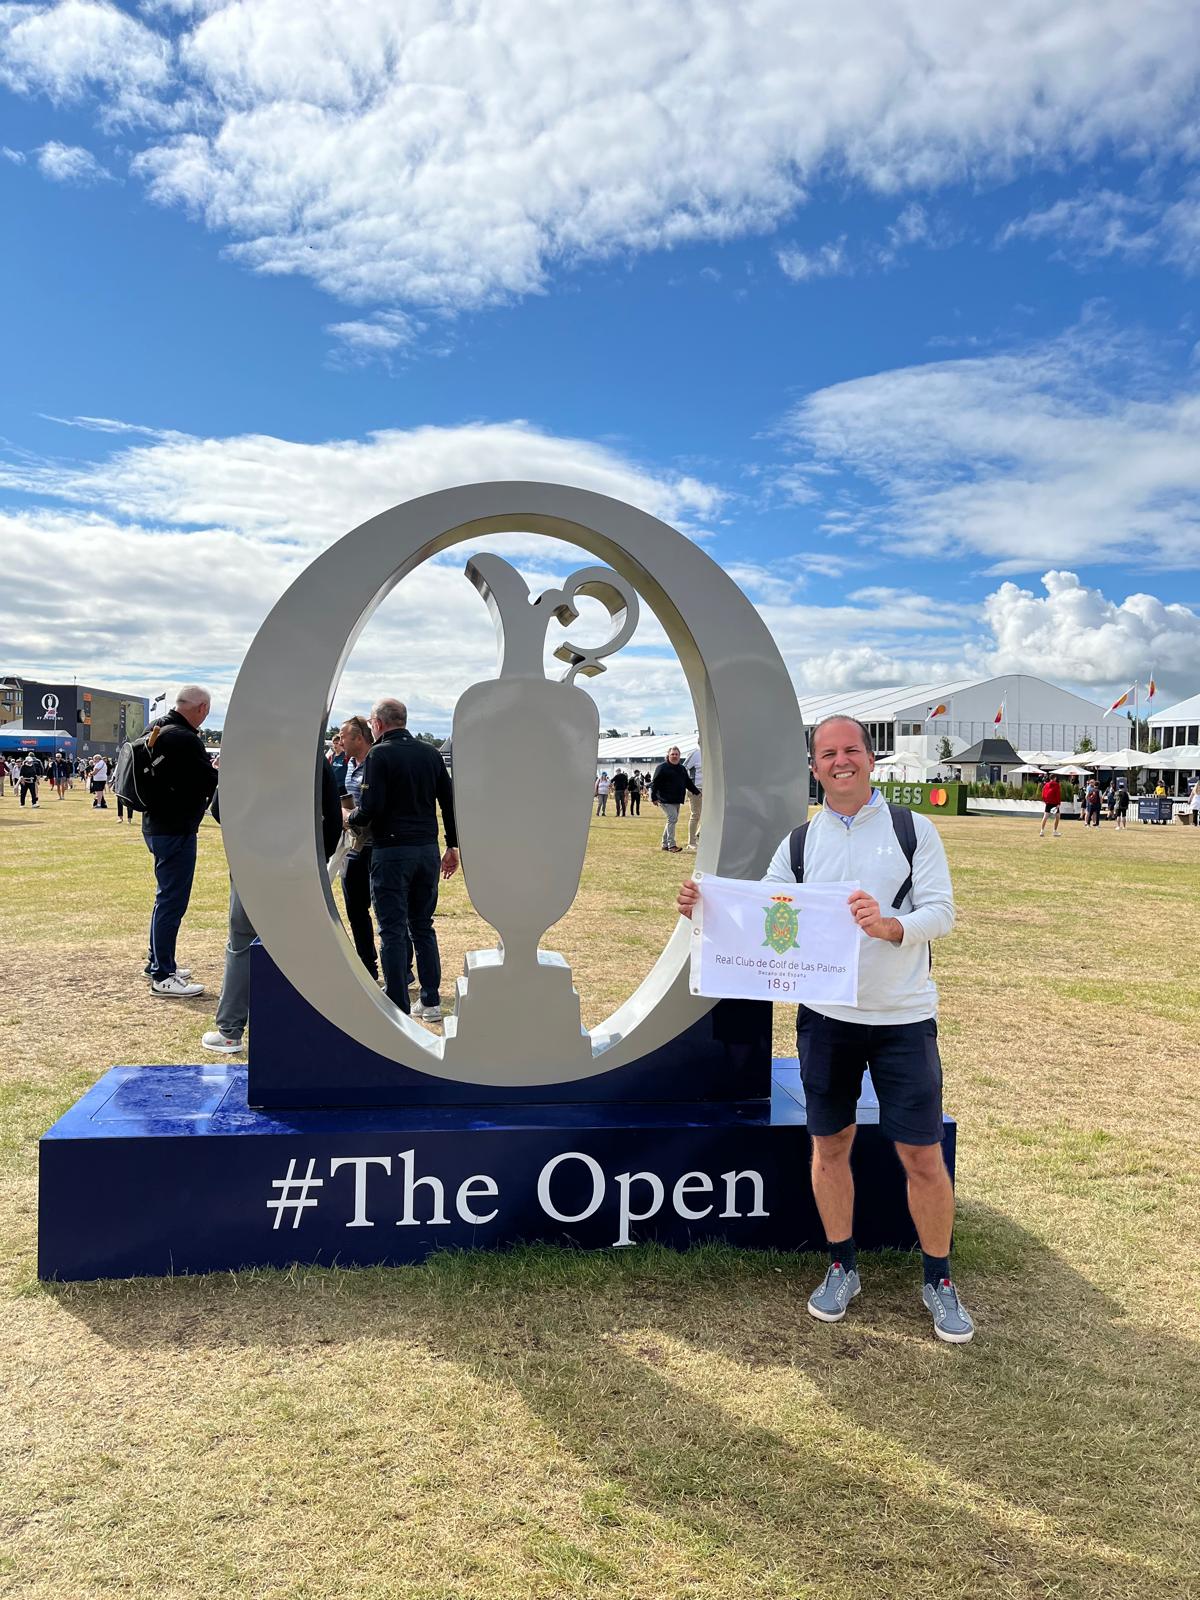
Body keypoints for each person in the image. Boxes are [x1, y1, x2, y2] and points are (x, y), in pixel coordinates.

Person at [677, 714, 970, 1344]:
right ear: (814, 767)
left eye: (852, 750)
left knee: (921, 1153)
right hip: (827, 1020)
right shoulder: (801, 843)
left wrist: (893, 925)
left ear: (871, 758)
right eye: (828, 753)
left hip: (901, 1018)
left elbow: (942, 912)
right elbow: (766, 913)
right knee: (829, 1145)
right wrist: (708, 905)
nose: (841, 761)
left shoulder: (913, 831)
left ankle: (938, 1279)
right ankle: (842, 1265)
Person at [202, 751, 343, 1052]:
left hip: (252, 859)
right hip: (300, 860)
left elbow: (219, 808)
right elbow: (331, 817)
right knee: (300, 943)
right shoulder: (313, 757)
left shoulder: (249, 753)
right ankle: (299, 1027)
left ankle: (230, 1029)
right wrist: (319, 855)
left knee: (241, 943)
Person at [346, 697, 458, 1022]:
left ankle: (397, 1004)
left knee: (392, 929)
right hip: (426, 848)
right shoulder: (430, 753)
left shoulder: (379, 754)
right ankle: (431, 1000)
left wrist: (349, 816)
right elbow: (449, 801)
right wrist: (452, 845)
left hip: (392, 851)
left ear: (378, 724)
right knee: (423, 925)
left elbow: (371, 808)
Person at [142, 685, 218, 998]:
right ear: (201, 708)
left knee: (165, 899)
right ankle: (163, 975)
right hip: (176, 829)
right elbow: (207, 781)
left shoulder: (157, 728)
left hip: (156, 824)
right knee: (172, 901)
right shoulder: (185, 739)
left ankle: (158, 961)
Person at [338, 715, 380, 983]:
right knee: (355, 909)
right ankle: (368, 967)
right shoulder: (349, 763)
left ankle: (404, 969)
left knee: (386, 910)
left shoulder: (377, 764)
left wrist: (348, 817)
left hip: (379, 847)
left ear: (359, 738)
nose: (340, 741)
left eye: (344, 736)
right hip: (355, 846)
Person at [650, 745, 699, 852]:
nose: (675, 756)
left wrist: (697, 792)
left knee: (671, 820)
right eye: (672, 754)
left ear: (679, 756)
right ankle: (671, 845)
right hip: (664, 799)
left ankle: (664, 844)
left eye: (676, 754)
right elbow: (655, 783)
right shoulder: (662, 767)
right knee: (672, 819)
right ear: (668, 755)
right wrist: (653, 797)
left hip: (676, 799)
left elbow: (688, 782)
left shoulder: (682, 769)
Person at [684, 742, 703, 851]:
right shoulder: (695, 754)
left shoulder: (712, 754)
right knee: (696, 815)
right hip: (696, 789)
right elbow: (683, 769)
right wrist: (690, 786)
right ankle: (691, 842)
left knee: (710, 814)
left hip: (709, 789)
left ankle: (698, 835)